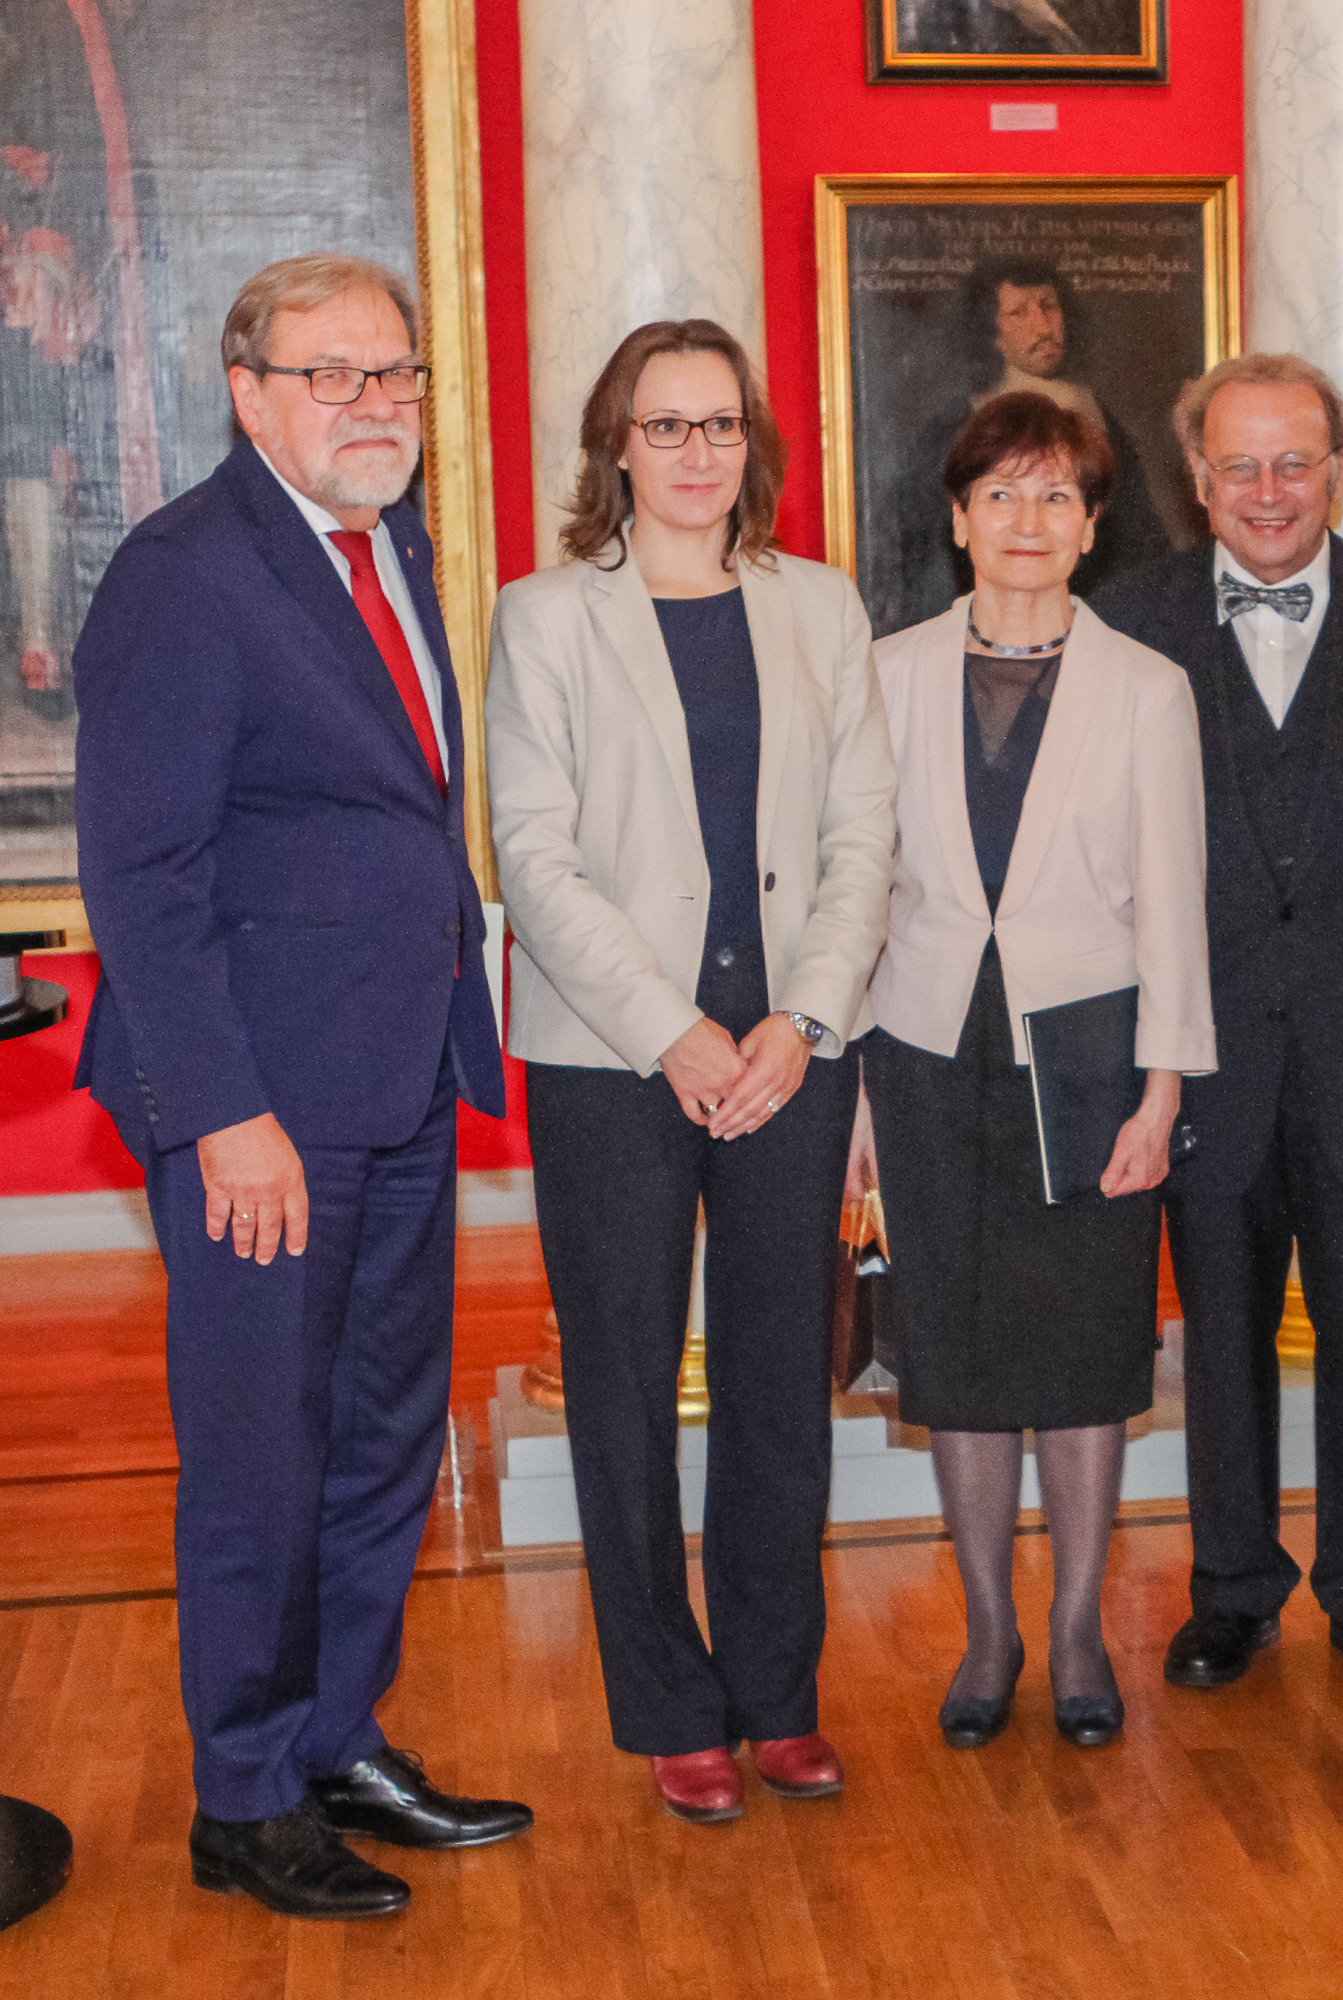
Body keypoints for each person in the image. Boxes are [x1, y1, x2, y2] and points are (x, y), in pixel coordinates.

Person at [71, 253, 529, 1919]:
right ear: (249, 391)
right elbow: (144, 870)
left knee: (380, 1439)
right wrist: (223, 1114)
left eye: (396, 376)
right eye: (333, 376)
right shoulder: (183, 576)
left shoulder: (385, 545)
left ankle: (337, 1734)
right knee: (263, 1455)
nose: (375, 406)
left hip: (399, 1081)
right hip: (263, 1108)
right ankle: (244, 1795)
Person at [484, 321, 897, 1824]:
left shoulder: (818, 608)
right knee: (624, 1386)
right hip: (612, 1059)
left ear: (753, 448)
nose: (694, 453)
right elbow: (531, 856)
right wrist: (671, 1026)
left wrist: (803, 1019)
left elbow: (864, 837)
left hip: (792, 1051)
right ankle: (669, 1702)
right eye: (663, 427)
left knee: (787, 1382)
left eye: (719, 426)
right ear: (615, 447)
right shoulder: (545, 618)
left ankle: (776, 1696)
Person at [858, 390, 1212, 1751]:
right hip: (926, 1048)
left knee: (1077, 1354)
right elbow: (856, 895)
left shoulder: (1147, 689)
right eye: (999, 494)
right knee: (951, 1352)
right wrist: (852, 1103)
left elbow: (1176, 906)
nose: (1026, 520)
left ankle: (1071, 1629)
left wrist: (1164, 1090)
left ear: (1091, 526)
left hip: (1089, 1055)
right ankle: (986, 1628)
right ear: (957, 520)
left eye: (1056, 495)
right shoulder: (881, 677)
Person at [1095, 355, 1343, 1695]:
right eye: (1236, 465)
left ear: (1337, 470)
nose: (1266, 491)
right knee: (1222, 1350)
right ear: (1196, 480)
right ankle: (1232, 1590)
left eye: (1292, 461)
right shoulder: (1124, 622)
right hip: (1203, 1058)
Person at [883, 257, 1173, 629]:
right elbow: (925, 560)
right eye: (1018, 313)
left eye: (1049, 307)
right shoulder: (952, 429)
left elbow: (1140, 538)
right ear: (991, 332)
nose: (1043, 327)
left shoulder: (1098, 418)